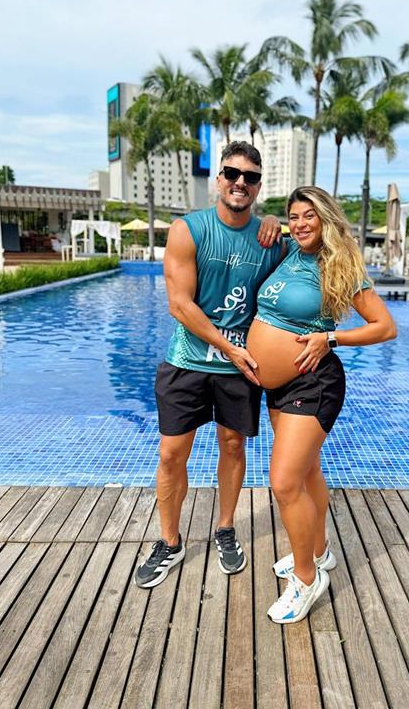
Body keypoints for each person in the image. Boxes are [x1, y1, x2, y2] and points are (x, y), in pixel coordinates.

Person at [134, 141, 283, 588]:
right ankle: (170, 541)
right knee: (170, 454)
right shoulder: (188, 229)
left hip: (240, 366)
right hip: (188, 360)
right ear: (219, 180)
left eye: (250, 177)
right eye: (232, 174)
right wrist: (228, 348)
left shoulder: (269, 240)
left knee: (233, 447)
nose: (240, 182)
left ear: (258, 186)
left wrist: (274, 221)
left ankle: (225, 528)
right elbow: (179, 305)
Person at [247, 186, 397, 623]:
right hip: (279, 386)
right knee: (308, 471)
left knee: (284, 482)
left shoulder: (339, 263)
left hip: (313, 382)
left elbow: (385, 327)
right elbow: (261, 229)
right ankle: (319, 550)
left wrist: (330, 338)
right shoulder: (290, 252)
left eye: (308, 215)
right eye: (293, 216)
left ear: (325, 218)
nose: (300, 224)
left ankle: (307, 579)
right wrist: (270, 221)